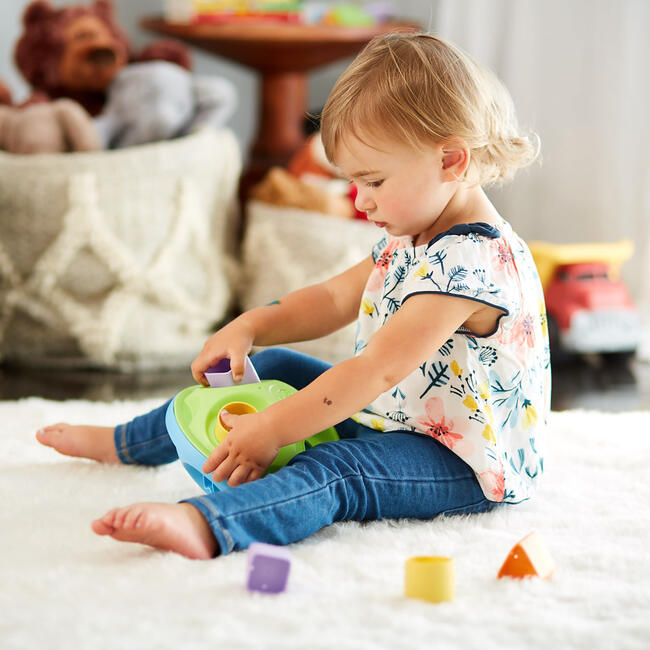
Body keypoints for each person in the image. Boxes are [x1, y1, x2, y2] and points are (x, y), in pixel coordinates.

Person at [36, 33, 550, 560]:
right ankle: (128, 444)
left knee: (336, 472)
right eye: (353, 181)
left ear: (451, 161)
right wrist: (251, 326)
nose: (360, 200)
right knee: (274, 365)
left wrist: (273, 429)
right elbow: (332, 299)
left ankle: (208, 524)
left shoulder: (473, 266)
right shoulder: (415, 232)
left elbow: (377, 369)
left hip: (459, 461)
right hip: (393, 417)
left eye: (373, 180)